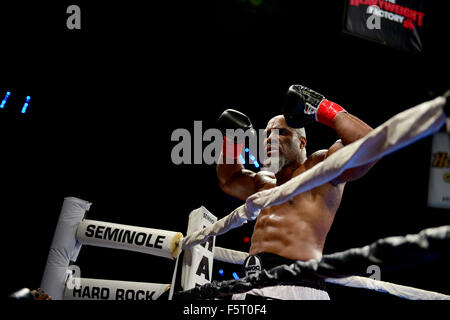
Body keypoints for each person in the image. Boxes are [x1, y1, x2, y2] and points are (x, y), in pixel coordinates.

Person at [216, 85, 377, 300]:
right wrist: (231, 140)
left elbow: (370, 144)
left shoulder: (319, 170)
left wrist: (321, 107)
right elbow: (229, 179)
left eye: (282, 133)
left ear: (302, 142)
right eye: (267, 135)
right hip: (251, 281)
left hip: (297, 284)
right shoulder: (264, 182)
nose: (271, 139)